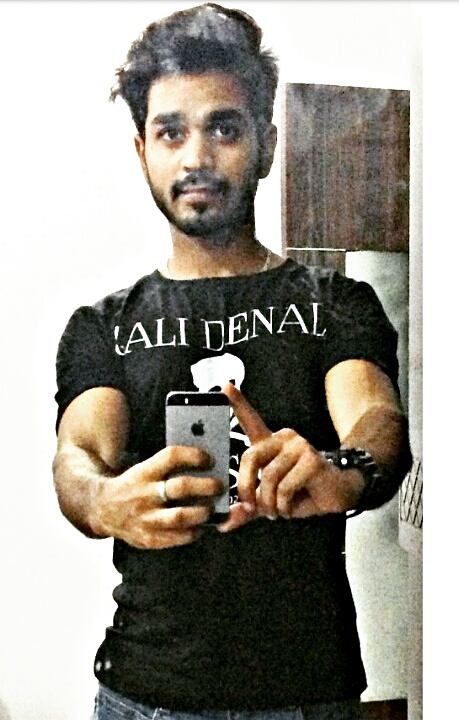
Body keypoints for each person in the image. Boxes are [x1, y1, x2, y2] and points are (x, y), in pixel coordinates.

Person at [53, 4, 412, 719]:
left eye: (224, 128)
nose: (196, 157)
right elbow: (78, 454)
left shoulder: (335, 302)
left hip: (306, 691)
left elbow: (376, 418)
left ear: (267, 145)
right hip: (143, 694)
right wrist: (103, 501)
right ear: (143, 152)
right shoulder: (103, 326)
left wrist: (340, 472)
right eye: (171, 132)